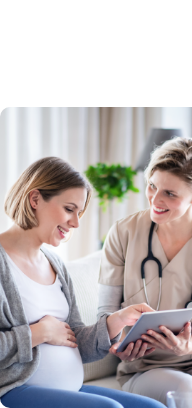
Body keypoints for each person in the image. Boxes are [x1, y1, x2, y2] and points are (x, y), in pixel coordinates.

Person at [0, 157, 166, 407]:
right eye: (69, 209)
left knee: (155, 407)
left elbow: (77, 342)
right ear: (35, 200)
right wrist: (38, 333)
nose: (76, 223)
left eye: (79, 213)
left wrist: (115, 321)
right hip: (12, 390)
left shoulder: (55, 264)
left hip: (70, 388)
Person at [99, 137, 192, 408]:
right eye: (152, 186)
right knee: (187, 392)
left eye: (170, 193)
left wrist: (185, 347)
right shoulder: (124, 233)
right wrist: (121, 343)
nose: (155, 200)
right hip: (145, 366)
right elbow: (105, 316)